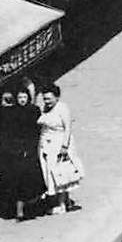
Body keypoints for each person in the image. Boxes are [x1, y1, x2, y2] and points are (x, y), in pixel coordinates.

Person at [0, 85, 42, 220]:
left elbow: (36, 130)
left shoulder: (33, 110)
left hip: (28, 148)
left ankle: (29, 206)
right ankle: (17, 210)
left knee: (28, 179)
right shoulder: (11, 111)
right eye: (19, 97)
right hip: (14, 151)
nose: (22, 100)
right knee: (15, 180)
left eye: (24, 97)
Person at [35, 82, 81, 215]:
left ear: (57, 97)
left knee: (60, 173)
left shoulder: (63, 108)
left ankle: (61, 204)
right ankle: (62, 201)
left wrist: (64, 147)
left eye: (49, 98)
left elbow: (68, 128)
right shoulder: (45, 108)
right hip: (46, 144)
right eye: (45, 99)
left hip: (58, 143)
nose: (47, 101)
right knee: (50, 173)